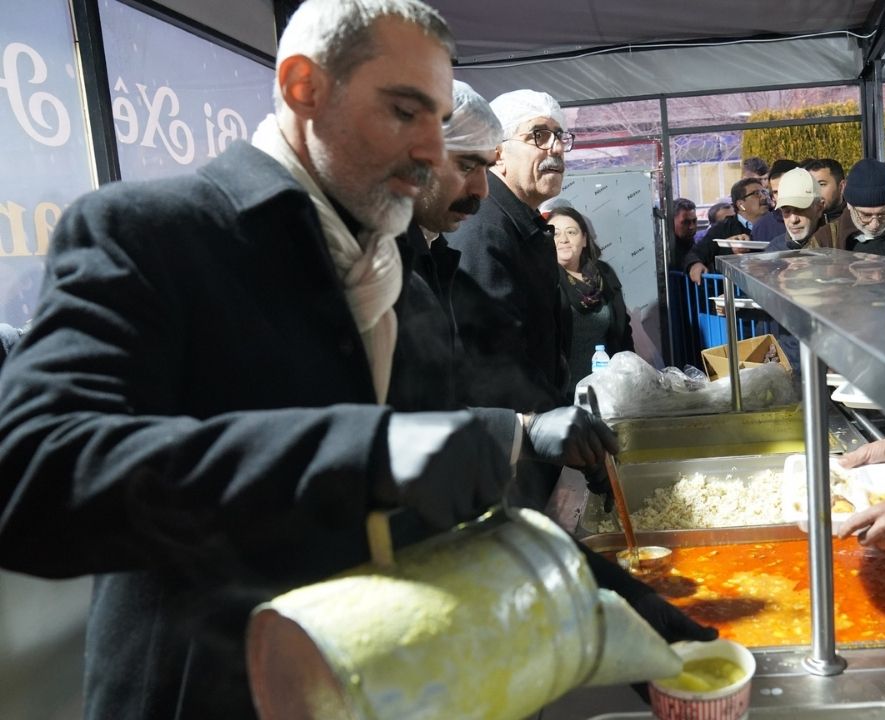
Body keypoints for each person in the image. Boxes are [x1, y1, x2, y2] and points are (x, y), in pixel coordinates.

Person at [0, 3, 705, 717]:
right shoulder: (155, 235)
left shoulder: (400, 278)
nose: (432, 150)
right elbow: (31, 474)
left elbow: (460, 513)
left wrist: (640, 621)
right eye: (405, 112)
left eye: (438, 120)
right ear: (305, 87)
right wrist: (363, 455)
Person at [450, 89, 572, 413]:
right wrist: (546, 423)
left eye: (559, 136)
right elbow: (494, 361)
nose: (556, 148)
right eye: (539, 136)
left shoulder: (522, 223)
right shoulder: (484, 228)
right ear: (498, 153)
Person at [403, 79, 503, 411]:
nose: (482, 191)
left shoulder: (432, 251)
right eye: (465, 165)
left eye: (485, 169)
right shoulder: (379, 260)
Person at [550, 206, 634, 385]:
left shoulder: (604, 274)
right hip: (562, 392)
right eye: (555, 234)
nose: (563, 239)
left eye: (571, 232)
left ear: (584, 239)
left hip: (609, 386)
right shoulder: (543, 279)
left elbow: (623, 330)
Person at [682, 177, 770, 284]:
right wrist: (694, 264)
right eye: (756, 193)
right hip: (735, 294)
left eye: (764, 191)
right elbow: (696, 253)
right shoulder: (721, 229)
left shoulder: (777, 223)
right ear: (741, 204)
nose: (764, 196)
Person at [763, 168, 826, 251]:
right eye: (786, 211)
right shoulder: (773, 252)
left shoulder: (839, 243)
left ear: (819, 208)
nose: (793, 220)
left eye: (800, 209)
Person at [803, 158, 858, 249]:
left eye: (821, 184)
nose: (814, 191)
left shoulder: (857, 221)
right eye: (811, 186)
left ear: (841, 186)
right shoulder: (802, 219)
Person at [749, 158, 799, 244]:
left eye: (786, 189)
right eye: (776, 192)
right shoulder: (762, 227)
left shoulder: (821, 219)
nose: (782, 196)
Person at [669, 197, 698, 269]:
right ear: (671, 222)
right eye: (685, 222)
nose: (691, 227)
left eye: (694, 221)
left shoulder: (696, 244)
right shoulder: (665, 250)